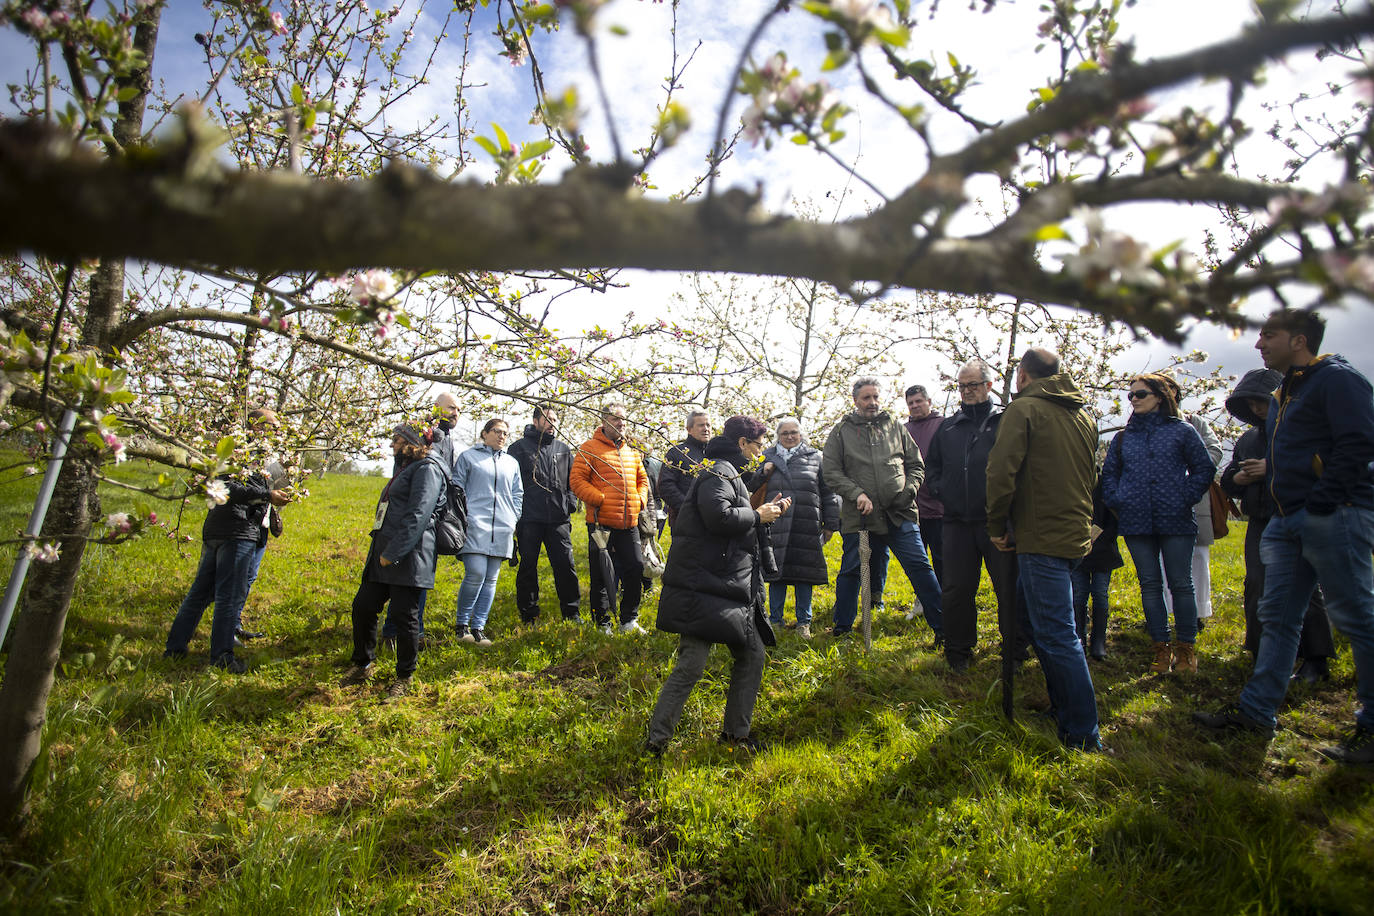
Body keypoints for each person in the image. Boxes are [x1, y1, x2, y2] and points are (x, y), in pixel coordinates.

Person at [1195, 310, 1374, 764]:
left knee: (1356, 618)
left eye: (1267, 335)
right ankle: (1256, 711)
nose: (1258, 344)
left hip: (1334, 514)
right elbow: (1287, 457)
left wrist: (1323, 502)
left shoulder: (1337, 379)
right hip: (1287, 520)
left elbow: (1359, 441)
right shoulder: (1284, 394)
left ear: (1299, 339)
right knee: (1277, 615)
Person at [647, 415, 791, 754]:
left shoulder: (726, 471)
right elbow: (719, 517)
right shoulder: (717, 472)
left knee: (752, 655)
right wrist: (759, 515)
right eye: (756, 445)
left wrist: (766, 510)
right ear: (742, 443)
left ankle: (735, 734)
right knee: (691, 665)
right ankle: (657, 741)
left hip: (723, 587)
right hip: (705, 587)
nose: (759, 453)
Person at [985, 348, 1103, 751]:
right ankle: (1063, 709)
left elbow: (1001, 472)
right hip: (1072, 534)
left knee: (1058, 634)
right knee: (1039, 624)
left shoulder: (1025, 409)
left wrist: (997, 525)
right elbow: (1093, 476)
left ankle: (1084, 733)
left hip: (1040, 537)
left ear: (1022, 375)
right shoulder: (1083, 415)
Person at [1220, 368, 1335, 679]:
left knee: (1304, 589)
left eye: (1261, 402)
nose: (1257, 409)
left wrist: (1270, 468)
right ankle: (1261, 651)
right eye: (1250, 405)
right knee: (1256, 584)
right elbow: (1230, 479)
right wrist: (1240, 477)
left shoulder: (1301, 432)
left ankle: (1316, 658)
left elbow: (1321, 466)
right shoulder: (1248, 439)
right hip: (1259, 519)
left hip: (1295, 515)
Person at [1100, 373, 1215, 675]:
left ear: (1160, 397)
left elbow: (1204, 468)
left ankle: (1186, 649)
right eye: (1131, 395)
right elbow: (1109, 473)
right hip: (1136, 521)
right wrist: (1118, 499)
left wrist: (1184, 496)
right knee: (1149, 585)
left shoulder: (1183, 432)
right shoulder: (1124, 437)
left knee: (1181, 584)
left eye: (1141, 394)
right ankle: (1160, 649)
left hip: (1175, 519)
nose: (1134, 399)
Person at [164, 408, 290, 673]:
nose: (277, 431)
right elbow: (228, 488)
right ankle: (221, 657)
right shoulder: (239, 453)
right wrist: (268, 495)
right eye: (272, 426)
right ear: (256, 426)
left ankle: (175, 649)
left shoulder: (245, 453)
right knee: (227, 597)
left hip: (220, 530)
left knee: (200, 593)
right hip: (236, 532)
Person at [822, 377, 943, 641]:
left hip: (899, 514)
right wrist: (856, 494)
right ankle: (842, 629)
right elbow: (830, 472)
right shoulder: (841, 431)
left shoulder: (896, 427)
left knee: (920, 567)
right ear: (855, 401)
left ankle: (944, 630)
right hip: (860, 518)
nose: (872, 402)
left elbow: (916, 465)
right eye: (866, 398)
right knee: (852, 570)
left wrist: (908, 491)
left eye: (876, 397)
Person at [926, 360, 1025, 673]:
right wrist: (943, 491)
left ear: (989, 386)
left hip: (997, 521)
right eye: (962, 386)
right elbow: (933, 467)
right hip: (956, 522)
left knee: (1007, 587)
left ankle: (1015, 649)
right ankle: (959, 651)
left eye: (973, 385)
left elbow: (1021, 467)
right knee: (956, 589)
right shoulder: (949, 426)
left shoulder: (1007, 420)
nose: (967, 391)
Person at [343, 424, 449, 698]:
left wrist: (393, 553)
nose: (392, 445)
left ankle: (405, 676)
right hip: (385, 552)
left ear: (413, 442)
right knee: (363, 607)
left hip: (409, 555)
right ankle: (363, 663)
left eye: (397, 440)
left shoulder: (428, 469)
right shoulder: (405, 467)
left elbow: (419, 514)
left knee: (405, 618)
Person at [381, 391, 459, 648]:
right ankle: (395, 632)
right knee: (405, 576)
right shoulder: (419, 432)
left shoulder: (447, 439)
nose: (456, 413)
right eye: (451, 408)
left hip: (433, 517)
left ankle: (416, 631)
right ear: (436, 408)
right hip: (412, 513)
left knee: (420, 576)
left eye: (458, 409)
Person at [571, 404, 650, 634]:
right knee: (601, 572)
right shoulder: (589, 449)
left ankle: (629, 620)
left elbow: (642, 481)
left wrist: (640, 501)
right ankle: (602, 622)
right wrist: (599, 499)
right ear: (603, 421)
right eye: (615, 418)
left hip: (629, 523)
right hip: (600, 522)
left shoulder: (632, 452)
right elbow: (576, 481)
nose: (621, 423)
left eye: (623, 419)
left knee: (635, 568)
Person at [759, 418, 839, 639]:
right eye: (785, 433)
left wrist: (831, 524)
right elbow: (752, 485)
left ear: (801, 434)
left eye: (794, 432)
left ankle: (804, 622)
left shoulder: (815, 457)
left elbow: (828, 492)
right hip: (776, 524)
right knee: (777, 573)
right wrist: (763, 471)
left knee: (805, 574)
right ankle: (775, 620)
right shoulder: (767, 456)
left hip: (807, 523)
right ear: (778, 436)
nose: (790, 436)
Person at [1157, 376, 1223, 633]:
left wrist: (1186, 467)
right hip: (1159, 500)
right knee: (1160, 561)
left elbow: (1214, 452)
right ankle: (1163, 613)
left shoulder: (1195, 423)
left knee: (1197, 559)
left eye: (1168, 388)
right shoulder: (1144, 424)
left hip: (1191, 498)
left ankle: (1195, 613)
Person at [507, 404, 582, 624]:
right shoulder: (518, 449)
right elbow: (511, 483)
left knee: (565, 566)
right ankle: (529, 615)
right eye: (548, 419)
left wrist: (570, 503)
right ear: (536, 420)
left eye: (555, 420)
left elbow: (572, 481)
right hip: (529, 518)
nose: (552, 424)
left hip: (558, 519)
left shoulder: (563, 449)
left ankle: (572, 612)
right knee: (528, 567)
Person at [453, 418, 523, 646]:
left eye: (505, 433)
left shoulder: (511, 463)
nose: (502, 436)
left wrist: (513, 518)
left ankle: (479, 627)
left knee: (491, 578)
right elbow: (457, 488)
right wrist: (465, 518)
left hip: (502, 526)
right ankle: (461, 625)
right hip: (475, 524)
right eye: (497, 431)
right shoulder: (468, 457)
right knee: (475, 573)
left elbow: (517, 494)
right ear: (485, 433)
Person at [1073, 478, 1122, 660]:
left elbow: (1115, 518)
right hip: (1077, 549)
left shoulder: (1106, 485)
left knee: (1100, 593)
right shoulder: (1074, 481)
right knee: (1079, 593)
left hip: (1103, 552)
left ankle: (1099, 640)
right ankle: (1079, 638)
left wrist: (1101, 537)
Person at [904, 383, 946, 585]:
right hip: (912, 507)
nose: (915, 405)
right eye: (910, 402)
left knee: (942, 558)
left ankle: (944, 600)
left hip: (939, 507)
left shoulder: (944, 425)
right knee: (917, 560)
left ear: (929, 402)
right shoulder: (902, 430)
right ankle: (921, 600)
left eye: (919, 401)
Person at [659, 408, 711, 529]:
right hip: (685, 524)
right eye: (701, 425)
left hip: (712, 523)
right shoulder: (676, 453)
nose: (706, 429)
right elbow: (665, 487)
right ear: (689, 429)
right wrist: (688, 509)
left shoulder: (715, 454)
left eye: (708, 425)